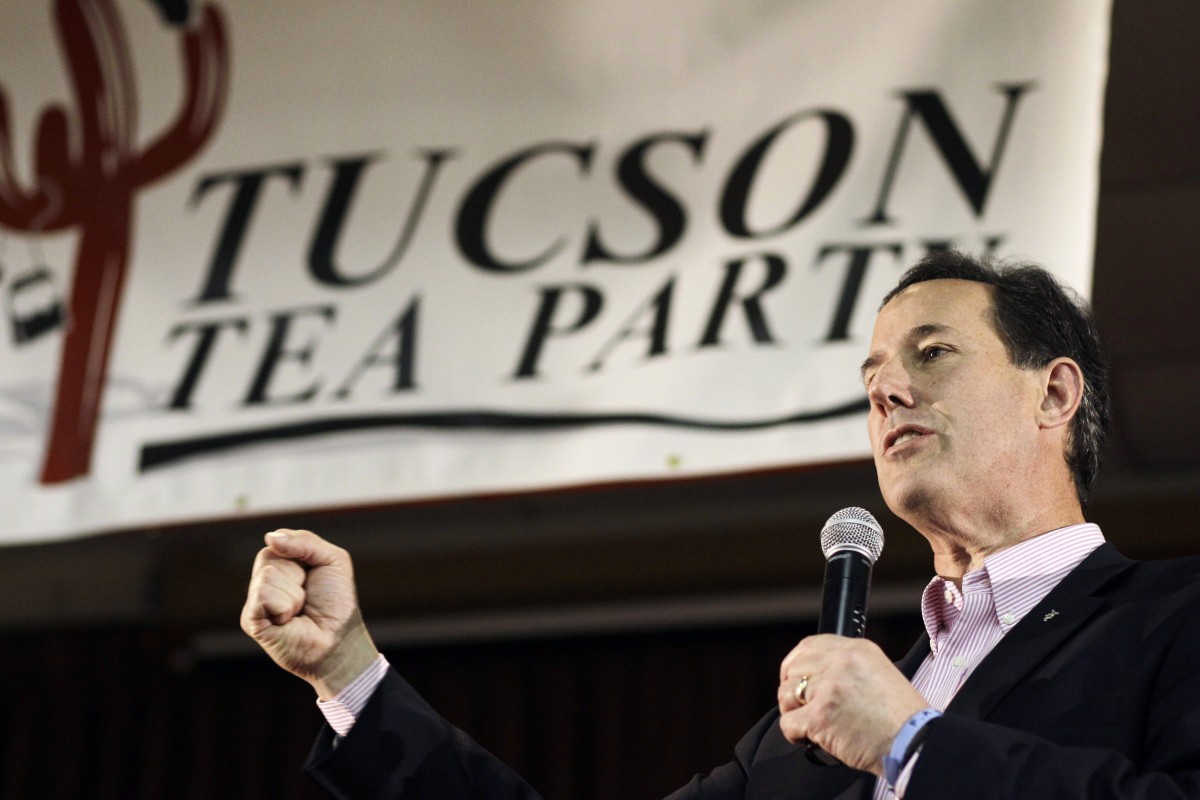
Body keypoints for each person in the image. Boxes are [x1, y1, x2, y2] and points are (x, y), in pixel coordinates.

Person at [241, 251, 1200, 799]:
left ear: (1055, 392)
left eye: (932, 353)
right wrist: (347, 674)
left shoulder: (1173, 620)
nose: (888, 391)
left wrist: (914, 747)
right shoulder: (810, 726)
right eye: (870, 382)